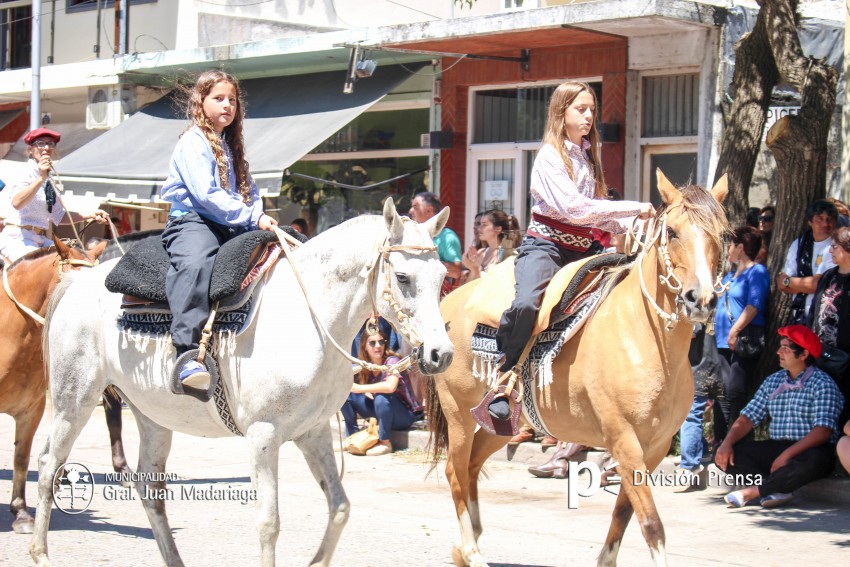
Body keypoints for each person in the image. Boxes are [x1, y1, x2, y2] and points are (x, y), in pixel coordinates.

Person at [489, 80, 653, 421]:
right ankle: (503, 379)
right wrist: (634, 208)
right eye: (581, 109)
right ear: (560, 114)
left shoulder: (589, 158)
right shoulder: (549, 157)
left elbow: (597, 214)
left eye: (592, 109)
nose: (589, 116)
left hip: (583, 248)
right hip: (546, 246)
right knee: (527, 303)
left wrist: (638, 228)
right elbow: (576, 210)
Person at [160, 70, 278, 389]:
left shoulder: (230, 145)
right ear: (201, 102)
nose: (227, 105)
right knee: (197, 266)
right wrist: (252, 218)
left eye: (233, 100)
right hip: (192, 222)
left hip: (228, 221)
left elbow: (249, 190)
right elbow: (206, 195)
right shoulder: (192, 142)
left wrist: (258, 214)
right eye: (219, 98)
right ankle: (186, 357)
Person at [715, 325, 844, 509]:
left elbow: (822, 432)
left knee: (815, 461)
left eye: (786, 348)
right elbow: (748, 418)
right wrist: (726, 443)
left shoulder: (823, 384)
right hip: (777, 446)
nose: (778, 352)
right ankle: (778, 488)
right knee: (724, 454)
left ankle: (753, 492)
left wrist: (787, 455)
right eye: (780, 346)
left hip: (811, 449)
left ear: (804, 354)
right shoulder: (773, 381)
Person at [0, 128, 109, 262]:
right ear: (30, 150)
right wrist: (40, 179)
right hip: (17, 238)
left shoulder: (49, 179)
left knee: (74, 260)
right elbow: (17, 203)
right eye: (40, 143)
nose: (46, 147)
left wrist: (90, 214)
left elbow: (58, 216)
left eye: (50, 144)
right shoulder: (24, 172)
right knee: (39, 267)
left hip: (40, 239)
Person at [713, 226, 770, 440]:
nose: (728, 249)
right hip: (722, 341)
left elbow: (754, 305)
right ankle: (719, 442)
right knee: (721, 392)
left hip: (743, 339)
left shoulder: (757, 272)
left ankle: (734, 443)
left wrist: (734, 331)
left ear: (741, 247)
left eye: (731, 245)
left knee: (736, 391)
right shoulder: (728, 276)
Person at [341, 328, 423, 456]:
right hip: (380, 410)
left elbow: (390, 386)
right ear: (365, 346)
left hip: (402, 415)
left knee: (381, 397)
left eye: (381, 342)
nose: (378, 346)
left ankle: (385, 443)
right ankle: (352, 439)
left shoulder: (392, 361)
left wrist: (360, 388)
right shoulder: (363, 365)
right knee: (345, 394)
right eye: (372, 343)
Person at [808, 226, 850, 426]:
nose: (830, 251)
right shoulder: (828, 276)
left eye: (834, 246)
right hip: (821, 354)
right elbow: (815, 310)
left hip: (846, 358)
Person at [778, 199, 837, 325]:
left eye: (829, 219)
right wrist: (792, 283)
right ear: (810, 222)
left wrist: (789, 281)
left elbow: (818, 284)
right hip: (800, 317)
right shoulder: (799, 244)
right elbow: (781, 284)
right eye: (819, 219)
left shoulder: (836, 247)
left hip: (825, 320)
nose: (825, 223)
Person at [408, 191, 462, 296]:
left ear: (429, 210)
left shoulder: (447, 237)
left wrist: (424, 262)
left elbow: (456, 272)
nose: (410, 211)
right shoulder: (412, 234)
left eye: (416, 207)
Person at [461, 209, 521, 281]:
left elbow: (501, 285)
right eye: (480, 224)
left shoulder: (507, 254)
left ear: (498, 229)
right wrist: (472, 268)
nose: (479, 228)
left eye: (484, 225)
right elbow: (470, 285)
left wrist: (475, 269)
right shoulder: (481, 252)